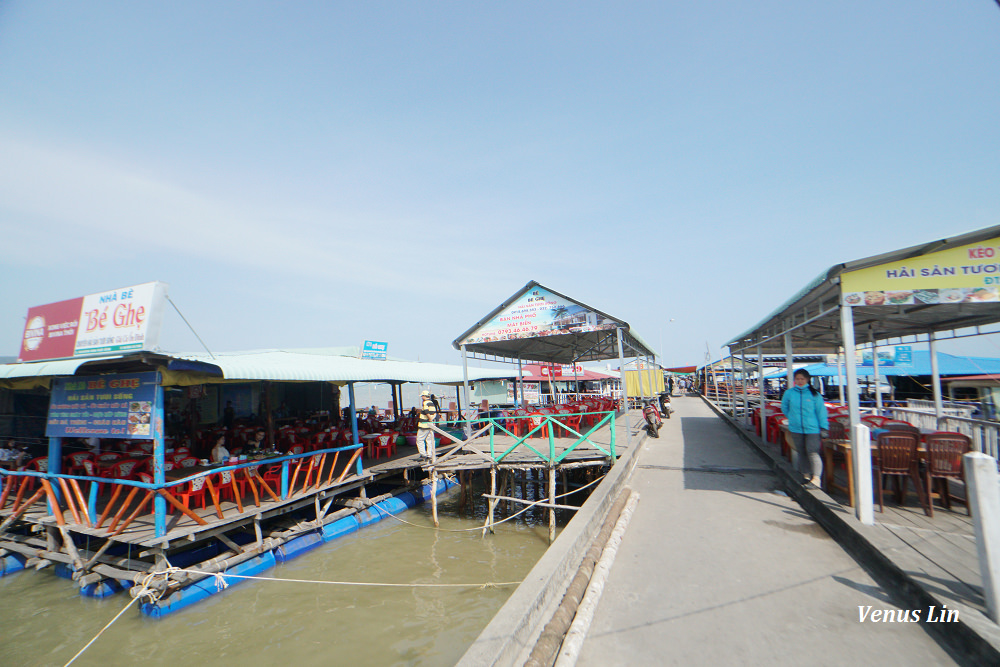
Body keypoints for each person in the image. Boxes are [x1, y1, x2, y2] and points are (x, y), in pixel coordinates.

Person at [781, 368, 828, 487]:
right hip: (796, 428)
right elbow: (785, 407)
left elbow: (821, 412)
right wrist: (792, 418)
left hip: (813, 429)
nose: (800, 381)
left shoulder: (814, 394)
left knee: (812, 452)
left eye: (802, 379)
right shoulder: (789, 393)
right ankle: (806, 475)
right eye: (797, 379)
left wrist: (824, 428)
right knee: (801, 452)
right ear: (794, 380)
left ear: (807, 379)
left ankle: (816, 479)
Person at [416, 390, 438, 461]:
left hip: (424, 424)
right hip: (430, 425)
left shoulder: (425, 403)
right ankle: (430, 454)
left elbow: (426, 411)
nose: (422, 397)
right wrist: (432, 419)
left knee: (420, 439)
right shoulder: (431, 403)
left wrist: (429, 418)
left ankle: (423, 454)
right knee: (429, 439)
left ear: (425, 396)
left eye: (422, 396)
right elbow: (434, 413)